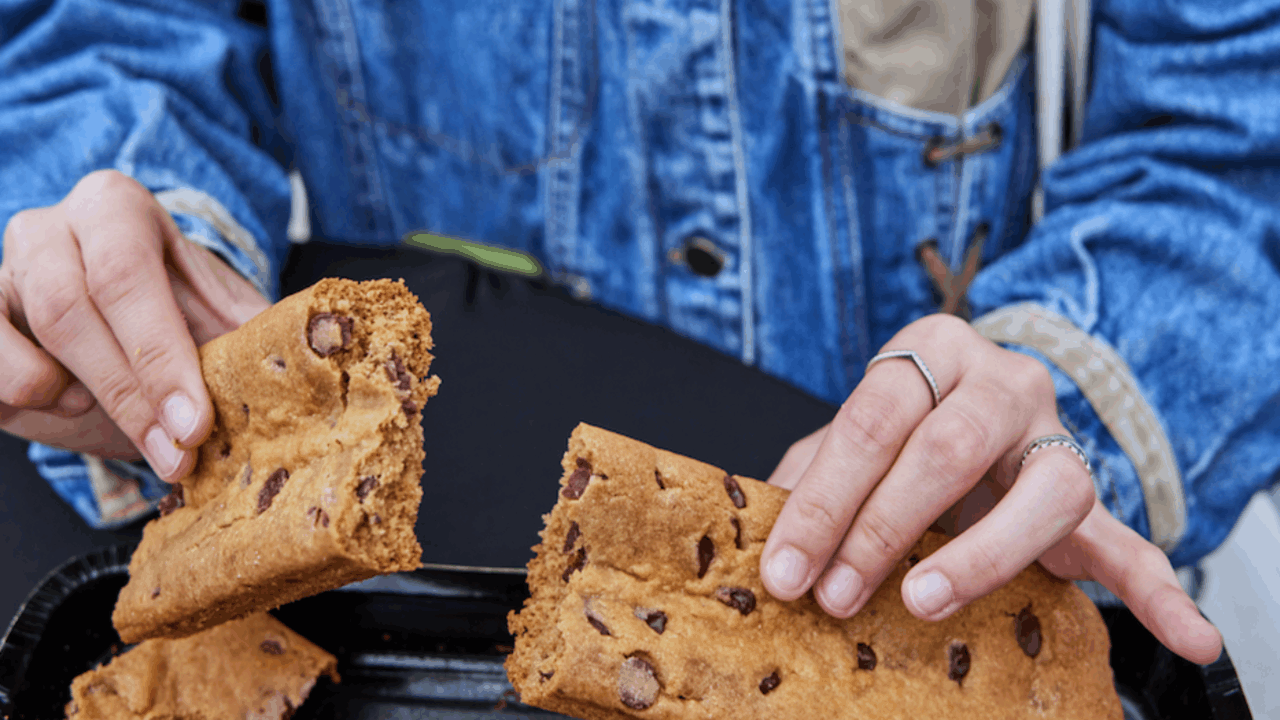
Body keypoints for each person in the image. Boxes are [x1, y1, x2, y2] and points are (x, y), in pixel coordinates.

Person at [4, 0, 1277, 668]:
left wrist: (1071, 385)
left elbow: (1233, 134)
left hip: (926, 567)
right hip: (407, 594)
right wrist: (135, 273)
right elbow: (116, 31)